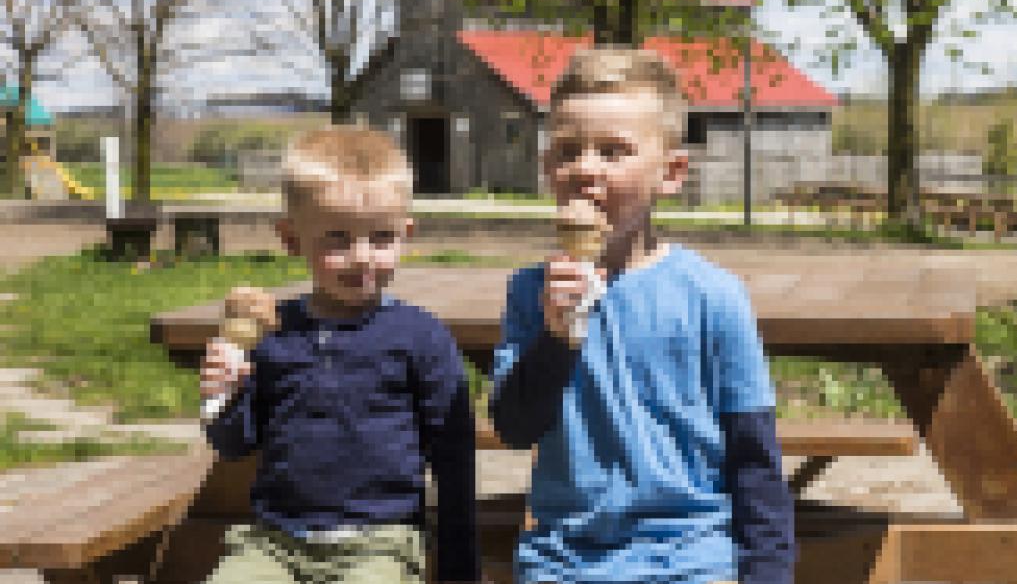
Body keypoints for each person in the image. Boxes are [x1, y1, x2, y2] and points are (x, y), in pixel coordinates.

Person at [491, 48, 794, 584]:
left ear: (670, 173)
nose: (585, 169)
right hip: (565, 559)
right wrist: (556, 336)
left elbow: (754, 456)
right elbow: (516, 427)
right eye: (567, 151)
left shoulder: (713, 295)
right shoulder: (529, 292)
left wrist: (768, 573)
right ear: (546, 169)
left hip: (689, 557)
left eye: (613, 151)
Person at [199, 127, 481, 584]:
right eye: (337, 239)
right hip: (275, 542)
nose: (362, 258)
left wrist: (459, 570)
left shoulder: (420, 337)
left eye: (382, 238)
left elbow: (454, 459)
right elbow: (233, 444)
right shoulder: (273, 334)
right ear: (291, 238)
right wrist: (223, 397)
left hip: (381, 543)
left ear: (406, 234)